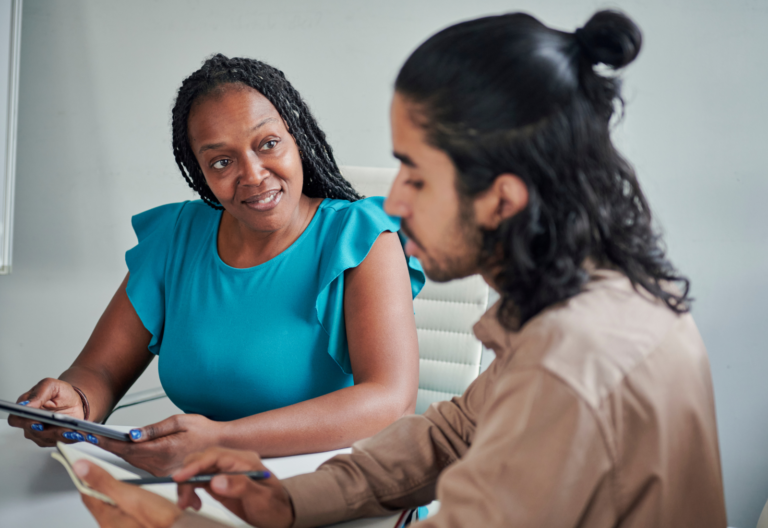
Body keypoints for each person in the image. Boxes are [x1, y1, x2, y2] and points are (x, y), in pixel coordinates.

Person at [73, 9, 727, 528]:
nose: (397, 199)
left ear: (502, 197)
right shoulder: (582, 305)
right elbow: (450, 433)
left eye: (415, 172)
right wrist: (290, 502)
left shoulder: (573, 362)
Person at [8, 54, 424, 476]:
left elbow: (391, 400)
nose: (253, 175)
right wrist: (73, 401)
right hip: (196, 491)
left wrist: (221, 441)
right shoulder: (176, 237)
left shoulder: (360, 239)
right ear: (199, 172)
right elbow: (99, 370)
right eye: (221, 162)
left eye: (268, 144)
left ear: (297, 138)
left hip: (331, 493)